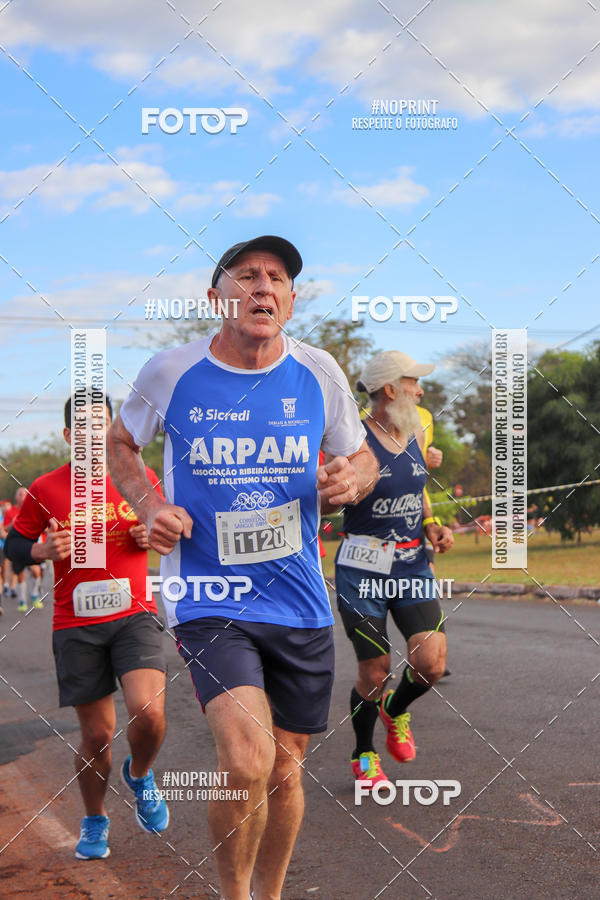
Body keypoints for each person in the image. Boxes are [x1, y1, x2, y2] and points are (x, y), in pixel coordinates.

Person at [107, 234, 379, 900]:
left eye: (278, 277)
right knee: (246, 759)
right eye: (248, 276)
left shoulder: (319, 371)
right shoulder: (170, 371)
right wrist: (149, 501)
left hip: (300, 602)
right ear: (216, 298)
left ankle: (271, 893)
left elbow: (364, 457)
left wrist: (352, 480)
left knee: (285, 771)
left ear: (289, 298)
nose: (264, 287)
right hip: (209, 597)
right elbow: (119, 443)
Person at [4, 395, 169, 860]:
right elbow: (15, 546)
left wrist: (150, 533)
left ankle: (139, 774)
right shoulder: (44, 488)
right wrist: (41, 552)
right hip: (76, 622)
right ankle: (95, 819)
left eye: (102, 426)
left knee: (149, 712)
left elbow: (171, 529)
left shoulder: (139, 477)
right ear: (68, 437)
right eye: (83, 429)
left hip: (134, 613)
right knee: (97, 736)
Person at [335, 350, 454, 789]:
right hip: (361, 569)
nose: (420, 390)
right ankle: (363, 753)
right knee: (375, 672)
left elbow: (420, 487)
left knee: (431, 663)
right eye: (412, 382)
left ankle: (395, 709)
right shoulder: (353, 442)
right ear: (390, 390)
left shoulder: (418, 430)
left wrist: (431, 523)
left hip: (411, 562)